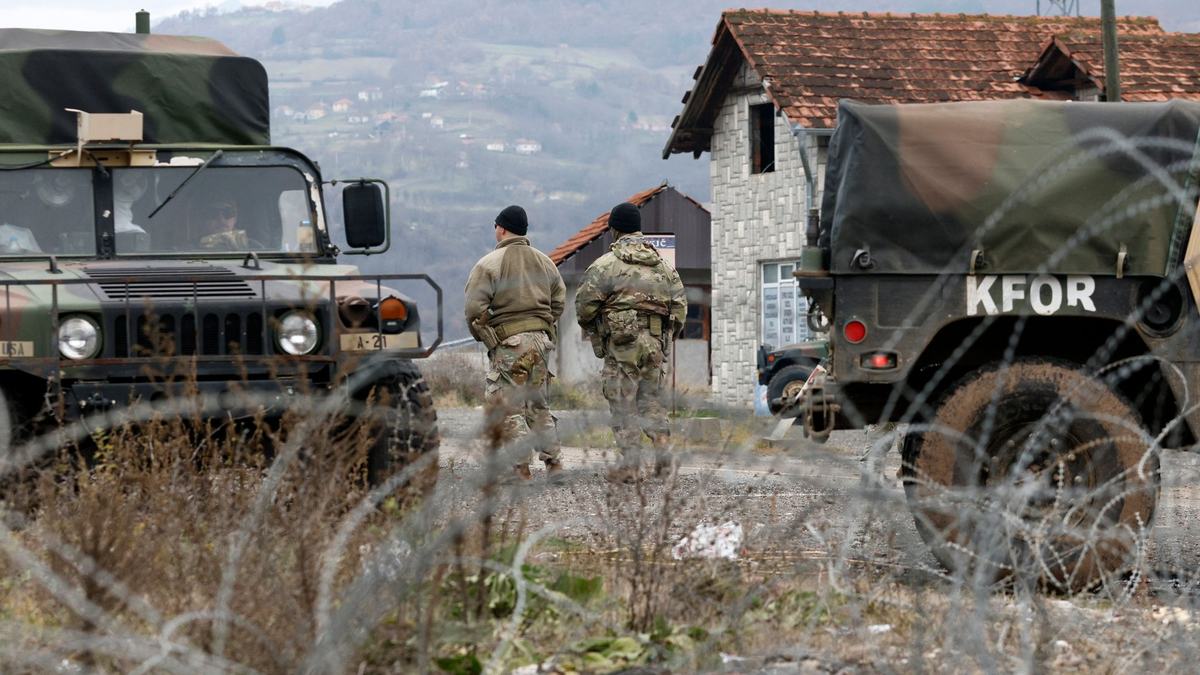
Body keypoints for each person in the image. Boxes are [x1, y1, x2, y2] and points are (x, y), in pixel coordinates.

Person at [576, 202, 687, 483]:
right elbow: (680, 307)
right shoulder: (664, 267)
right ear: (639, 229)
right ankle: (662, 451)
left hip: (622, 344)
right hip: (654, 343)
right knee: (650, 401)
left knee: (623, 403)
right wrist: (664, 338)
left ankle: (631, 467)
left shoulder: (605, 266)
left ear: (613, 230)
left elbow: (584, 308)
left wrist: (602, 324)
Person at [464, 205, 566, 480]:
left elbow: (474, 308)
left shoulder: (489, 264)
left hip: (510, 343)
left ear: (501, 228)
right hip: (541, 342)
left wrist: (486, 335)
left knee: (508, 406)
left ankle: (520, 468)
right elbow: (558, 301)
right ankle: (554, 464)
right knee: (538, 404)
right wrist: (542, 325)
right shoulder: (546, 262)